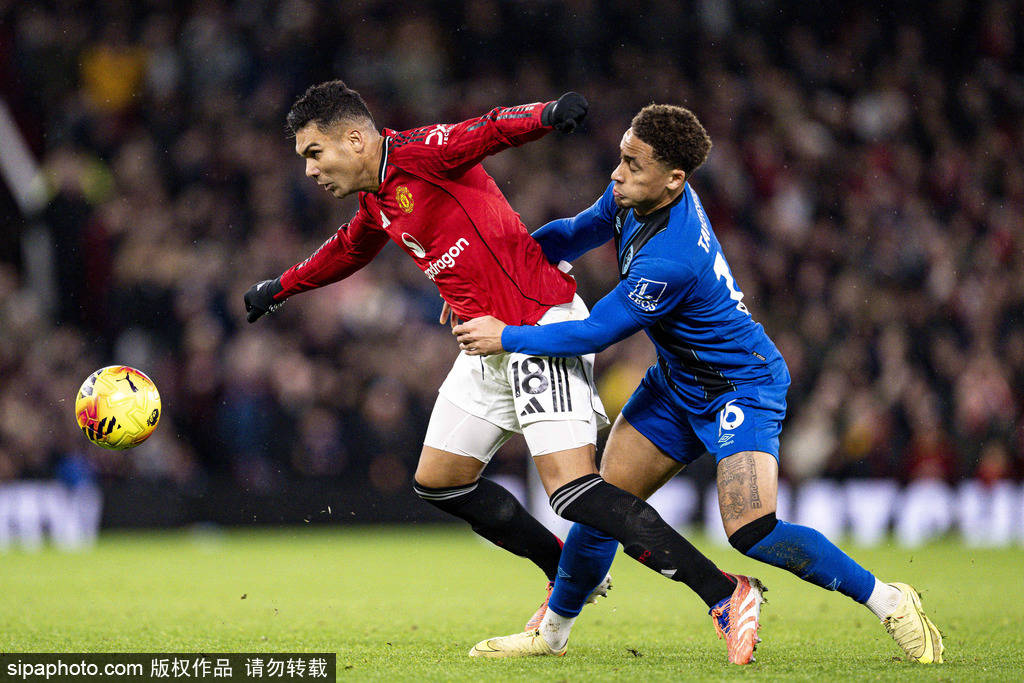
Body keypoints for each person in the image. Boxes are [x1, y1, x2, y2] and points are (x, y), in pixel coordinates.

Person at [244, 81, 764, 663]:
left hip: (540, 328)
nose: (310, 171)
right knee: (439, 480)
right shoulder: (377, 202)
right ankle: (564, 570)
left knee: (575, 493)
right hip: (486, 342)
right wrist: (279, 288)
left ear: (356, 138)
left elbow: (489, 128)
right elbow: (346, 250)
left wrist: (546, 114)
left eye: (315, 153)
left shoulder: (423, 151)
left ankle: (725, 592)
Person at [453, 104, 945, 664]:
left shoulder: (671, 259)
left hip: (740, 386)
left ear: (675, 179)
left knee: (751, 528)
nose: (616, 174)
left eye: (632, 165)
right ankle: (552, 635)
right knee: (601, 502)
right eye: (620, 157)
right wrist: (491, 279)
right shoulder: (635, 197)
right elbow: (569, 235)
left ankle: (889, 600)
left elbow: (594, 332)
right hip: (675, 384)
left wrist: (506, 333)